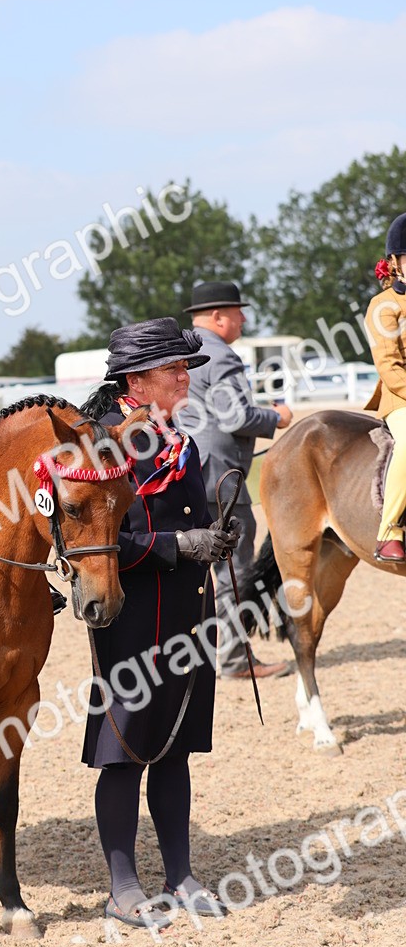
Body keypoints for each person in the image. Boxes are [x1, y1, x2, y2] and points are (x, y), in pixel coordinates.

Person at [80, 317, 239, 930]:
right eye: (174, 369)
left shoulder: (182, 440)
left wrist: (216, 539)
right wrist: (179, 544)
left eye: (185, 368)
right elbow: (104, 541)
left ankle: (181, 874)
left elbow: (190, 516)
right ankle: (121, 886)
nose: (184, 377)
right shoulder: (103, 445)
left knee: (175, 749)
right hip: (131, 614)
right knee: (123, 751)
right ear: (138, 380)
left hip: (189, 610)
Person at [177, 281, 292, 680]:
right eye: (238, 312)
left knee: (200, 572)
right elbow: (236, 417)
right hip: (221, 479)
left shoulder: (184, 352)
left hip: (190, 473)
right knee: (235, 572)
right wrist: (277, 417)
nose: (243, 319)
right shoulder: (220, 354)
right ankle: (234, 659)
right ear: (218, 317)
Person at [365, 214, 406, 563]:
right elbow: (389, 365)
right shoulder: (383, 307)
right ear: (394, 263)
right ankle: (389, 531)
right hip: (400, 397)